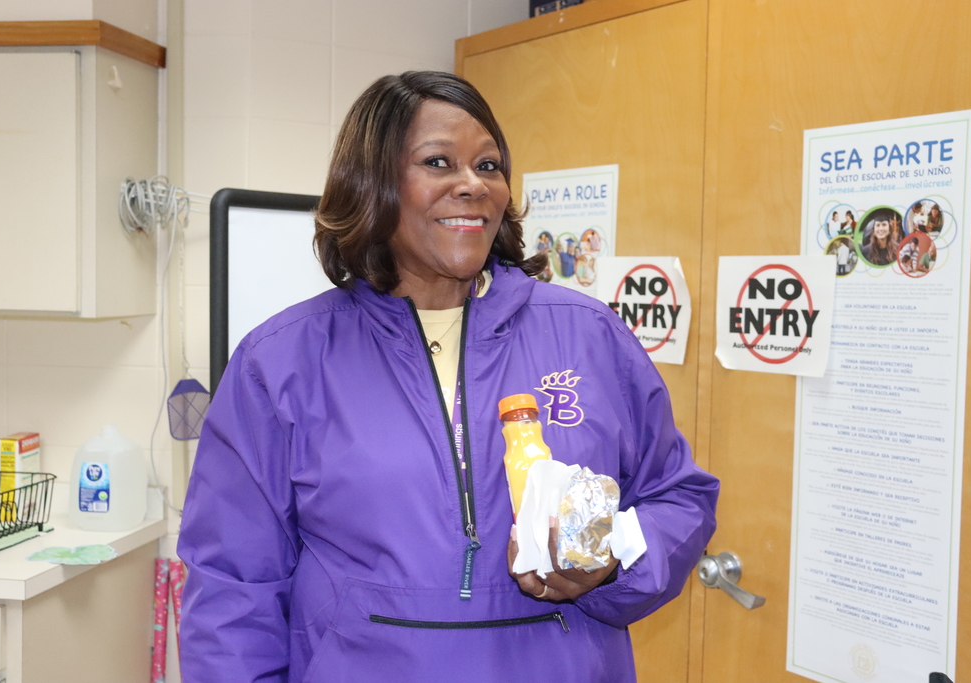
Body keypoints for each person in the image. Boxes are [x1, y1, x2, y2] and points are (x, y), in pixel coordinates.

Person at [178, 71, 719, 683]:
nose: (472, 186)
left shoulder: (589, 336)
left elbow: (680, 499)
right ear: (373, 186)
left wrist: (614, 558)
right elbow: (232, 591)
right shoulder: (280, 363)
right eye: (439, 162)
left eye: (488, 166)